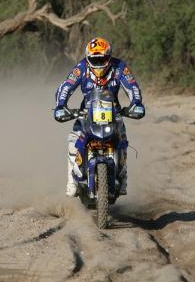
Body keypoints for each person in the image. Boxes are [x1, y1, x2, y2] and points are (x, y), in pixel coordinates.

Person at [54, 37, 145, 197]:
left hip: (114, 114)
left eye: (102, 58)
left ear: (109, 57)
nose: (98, 63)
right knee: (72, 141)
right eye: (94, 59)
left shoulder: (119, 67)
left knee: (122, 140)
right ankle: (71, 182)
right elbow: (66, 86)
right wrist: (61, 105)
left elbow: (133, 87)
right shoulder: (81, 68)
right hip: (86, 115)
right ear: (88, 58)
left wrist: (136, 103)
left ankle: (123, 177)